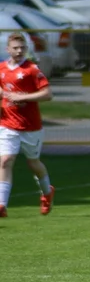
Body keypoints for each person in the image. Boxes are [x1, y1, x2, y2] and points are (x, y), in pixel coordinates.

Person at [0, 32, 56, 216]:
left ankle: (47, 193)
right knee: (6, 160)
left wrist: (24, 97)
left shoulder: (31, 69)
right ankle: (1, 204)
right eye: (15, 48)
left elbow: (47, 94)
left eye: (22, 48)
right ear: (8, 49)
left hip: (30, 126)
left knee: (33, 163)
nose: (19, 51)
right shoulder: (1, 68)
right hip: (7, 124)